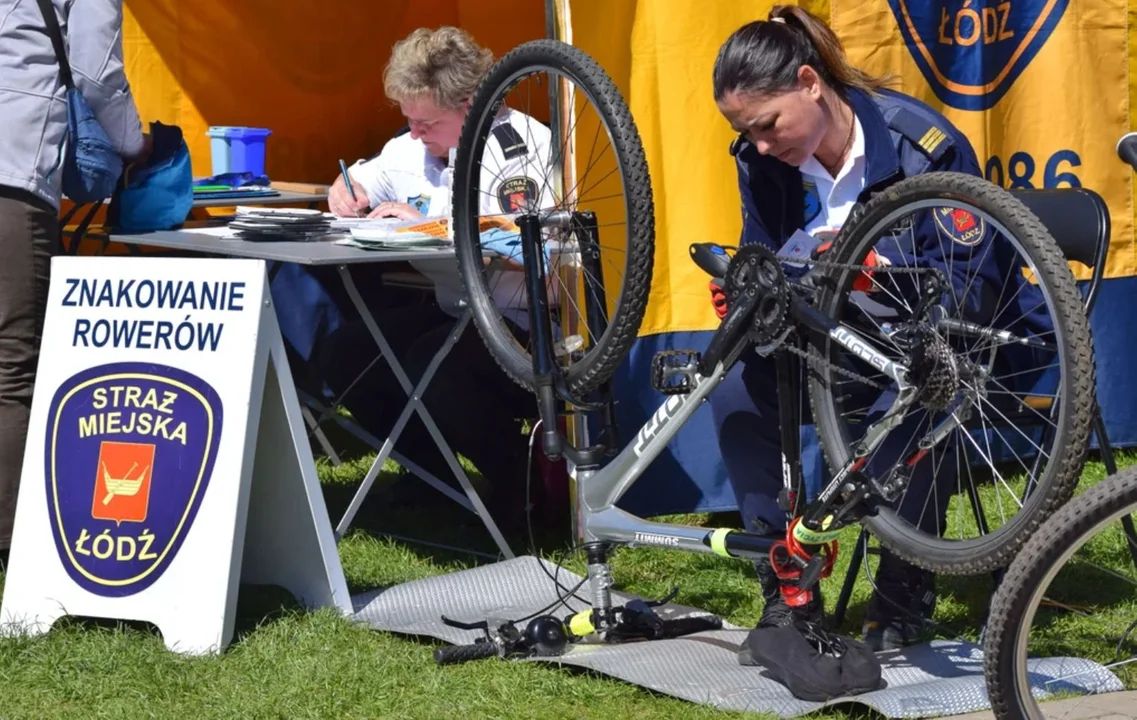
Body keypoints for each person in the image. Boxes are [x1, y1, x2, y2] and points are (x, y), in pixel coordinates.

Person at [707, 6, 1050, 653]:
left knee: (916, 391)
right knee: (734, 388)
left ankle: (901, 591)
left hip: (957, 348)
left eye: (766, 123)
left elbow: (971, 292)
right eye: (743, 130)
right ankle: (785, 590)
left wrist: (871, 276)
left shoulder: (922, 144)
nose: (758, 143)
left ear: (809, 82)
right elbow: (764, 257)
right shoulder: (762, 162)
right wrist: (746, 293)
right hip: (840, 344)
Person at [316, 27, 560, 531]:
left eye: (425, 122)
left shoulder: (520, 150)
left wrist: (428, 227)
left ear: (473, 105)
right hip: (457, 308)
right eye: (408, 120)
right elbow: (361, 178)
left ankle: (525, 485)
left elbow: (536, 255)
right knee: (347, 353)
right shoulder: (412, 145)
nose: (414, 133)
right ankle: (436, 477)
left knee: (434, 363)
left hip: (526, 321)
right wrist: (344, 190)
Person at [0, 0, 147, 560]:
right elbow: (95, 70)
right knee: (14, 366)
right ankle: (14, 546)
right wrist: (137, 145)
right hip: (11, 173)